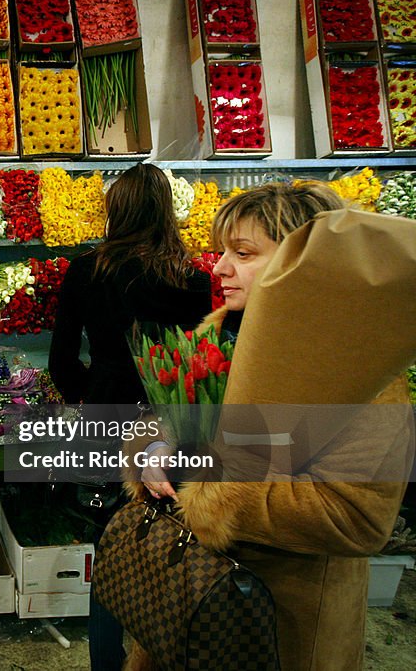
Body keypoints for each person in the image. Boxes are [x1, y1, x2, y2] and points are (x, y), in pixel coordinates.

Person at [124, 182, 416, 671]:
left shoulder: (363, 375)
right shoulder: (216, 331)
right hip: (188, 600)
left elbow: (356, 519)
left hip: (280, 625)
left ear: (306, 267)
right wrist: (152, 449)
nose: (218, 268)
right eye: (222, 252)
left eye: (242, 253)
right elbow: (167, 422)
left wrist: (209, 485)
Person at [49, 163, 212, 671]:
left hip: (108, 415)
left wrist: (91, 393)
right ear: (166, 211)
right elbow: (205, 360)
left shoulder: (87, 271)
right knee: (175, 544)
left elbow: (60, 361)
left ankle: (105, 660)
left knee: (114, 549)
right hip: (177, 422)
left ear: (115, 211)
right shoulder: (192, 279)